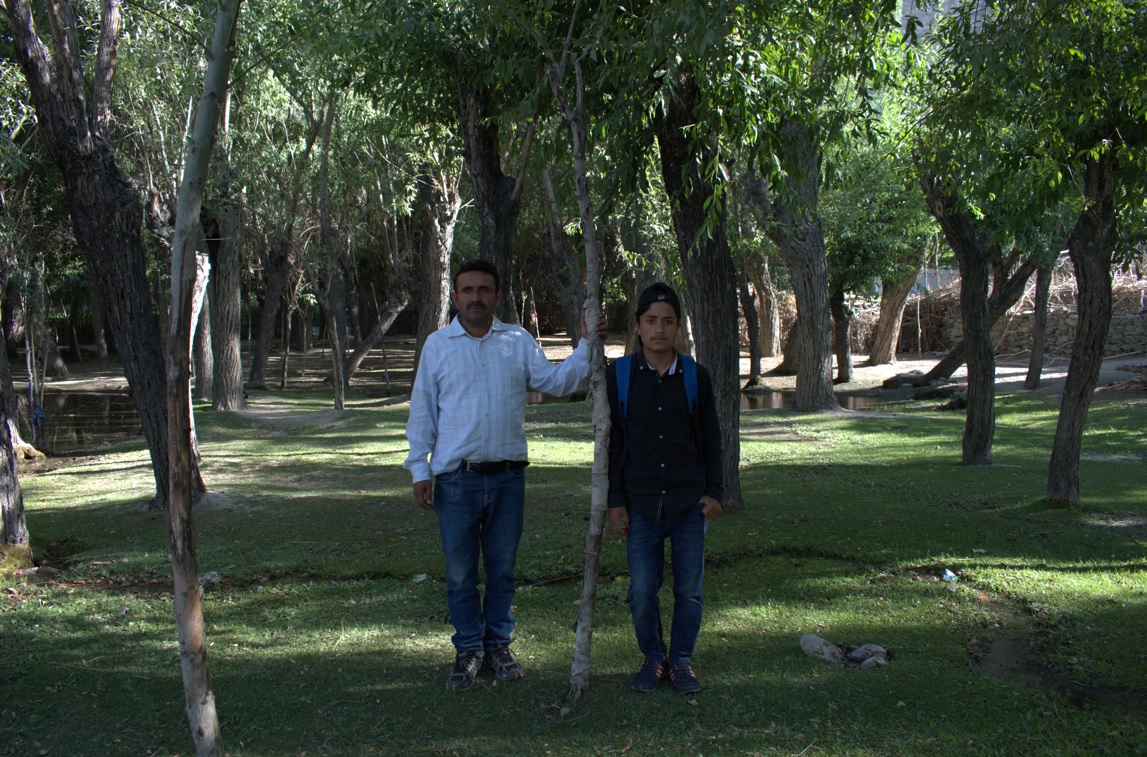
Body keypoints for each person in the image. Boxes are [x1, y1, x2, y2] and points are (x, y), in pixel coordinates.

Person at [405, 259, 603, 693]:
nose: (475, 297)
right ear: (456, 297)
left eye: (484, 290)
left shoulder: (517, 341)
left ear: (497, 295)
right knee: (459, 573)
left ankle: (498, 645)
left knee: (502, 570)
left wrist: (586, 345)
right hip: (456, 480)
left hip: (508, 479)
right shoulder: (438, 346)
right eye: (467, 290)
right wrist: (419, 467)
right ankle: (468, 650)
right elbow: (422, 412)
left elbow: (555, 381)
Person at [607, 282, 723, 694]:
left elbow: (711, 439)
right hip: (639, 506)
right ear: (637, 326)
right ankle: (654, 656)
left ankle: (682, 661)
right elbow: (614, 443)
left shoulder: (695, 376)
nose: (659, 329)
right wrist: (615, 501)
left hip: (689, 504)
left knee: (688, 591)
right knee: (641, 591)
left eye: (668, 321)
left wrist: (715, 491)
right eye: (651, 320)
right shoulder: (618, 376)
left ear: (679, 328)